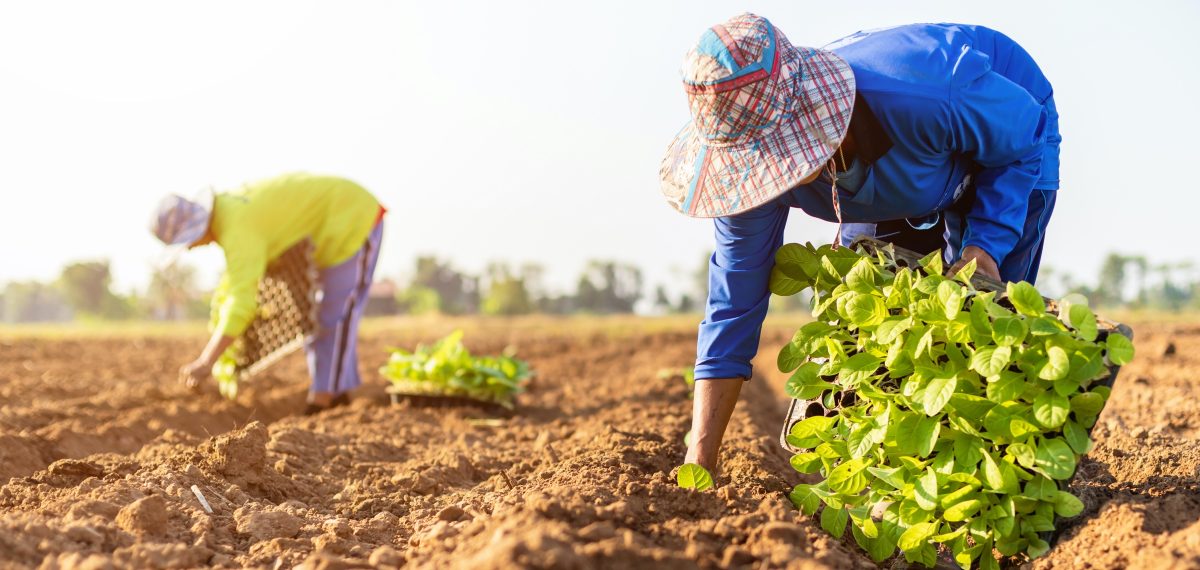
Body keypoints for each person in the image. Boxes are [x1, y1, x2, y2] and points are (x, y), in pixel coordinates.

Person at [659, 14, 1060, 473]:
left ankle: (990, 480)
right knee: (870, 335)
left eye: (778, 155)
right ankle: (893, 484)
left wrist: (984, 246)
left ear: (811, 116)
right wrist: (700, 456)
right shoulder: (749, 174)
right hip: (890, 178)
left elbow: (1022, 140)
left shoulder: (928, 89)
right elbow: (733, 305)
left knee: (979, 329)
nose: (770, 173)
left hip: (1007, 136)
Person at [150, 172, 386, 414]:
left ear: (196, 227)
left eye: (187, 241)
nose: (190, 248)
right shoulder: (228, 210)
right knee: (314, 321)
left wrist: (206, 361)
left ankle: (325, 400)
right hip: (330, 224)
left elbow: (241, 302)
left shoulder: (237, 230)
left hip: (351, 216)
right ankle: (333, 394)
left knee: (335, 317)